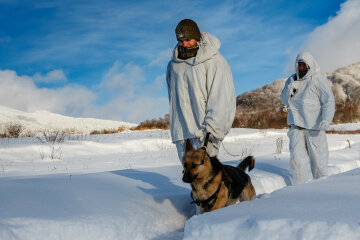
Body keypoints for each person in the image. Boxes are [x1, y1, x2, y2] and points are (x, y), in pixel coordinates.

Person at [166, 19, 236, 163]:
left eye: (188, 39)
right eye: (180, 40)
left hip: (204, 133)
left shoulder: (215, 62)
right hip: (183, 133)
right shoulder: (173, 66)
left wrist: (212, 130)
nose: (184, 44)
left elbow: (221, 98)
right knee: (191, 180)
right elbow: (172, 98)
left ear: (196, 38)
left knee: (206, 179)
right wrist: (177, 130)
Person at [280, 52, 335, 185]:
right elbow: (284, 100)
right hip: (296, 128)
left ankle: (322, 188)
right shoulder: (291, 80)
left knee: (319, 163)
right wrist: (289, 90)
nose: (301, 67)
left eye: (304, 65)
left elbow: (328, 100)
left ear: (310, 65)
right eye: (299, 64)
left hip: (314, 128)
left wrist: (327, 119)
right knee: (297, 162)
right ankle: (300, 189)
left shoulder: (318, 80)